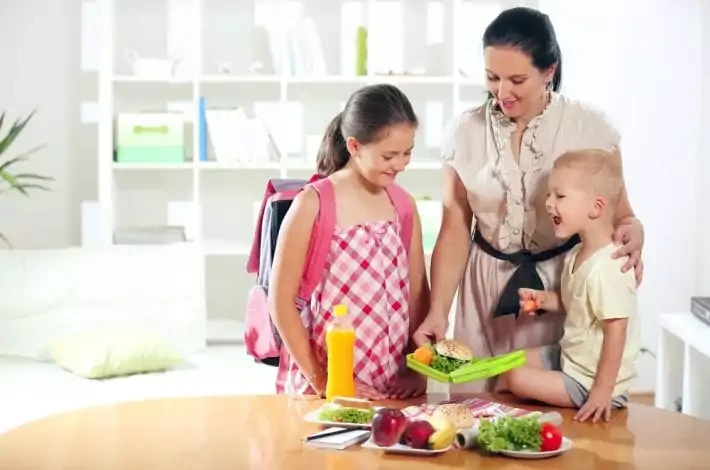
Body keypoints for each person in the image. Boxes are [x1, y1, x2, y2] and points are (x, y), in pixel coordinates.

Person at [412, 6, 645, 393]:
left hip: (559, 285)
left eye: (517, 79)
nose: (502, 92)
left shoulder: (591, 129)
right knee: (475, 407)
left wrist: (635, 232)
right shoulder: (463, 133)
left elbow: (622, 215)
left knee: (552, 415)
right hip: (484, 286)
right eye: (492, 78)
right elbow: (455, 227)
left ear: (548, 71)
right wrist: (438, 311)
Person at [269, 84, 430, 400]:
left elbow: (417, 292)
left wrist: (417, 370)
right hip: (325, 387)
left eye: (408, 152)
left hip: (389, 388)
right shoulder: (313, 204)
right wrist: (325, 381)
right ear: (355, 146)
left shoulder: (404, 205)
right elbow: (281, 302)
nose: (400, 164)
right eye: (389, 155)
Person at [497, 149, 639, 423]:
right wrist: (543, 300)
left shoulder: (609, 266)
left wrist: (602, 391)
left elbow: (616, 330)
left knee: (514, 376)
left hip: (591, 380)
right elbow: (574, 301)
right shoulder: (577, 254)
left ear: (595, 207)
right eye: (550, 194)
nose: (549, 203)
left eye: (559, 196)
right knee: (510, 361)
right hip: (572, 359)